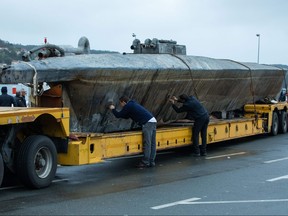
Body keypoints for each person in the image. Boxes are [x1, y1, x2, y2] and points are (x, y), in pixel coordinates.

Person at [108, 95, 157, 168]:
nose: (121, 106)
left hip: (147, 123)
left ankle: (145, 162)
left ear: (124, 102)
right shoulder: (132, 104)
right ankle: (151, 161)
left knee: (147, 143)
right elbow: (127, 116)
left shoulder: (128, 106)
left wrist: (113, 109)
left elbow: (118, 115)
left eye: (121, 104)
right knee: (152, 144)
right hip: (153, 121)